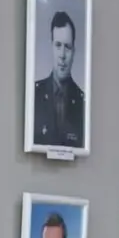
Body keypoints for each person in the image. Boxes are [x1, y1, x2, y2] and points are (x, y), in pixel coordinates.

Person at [31, 9, 85, 149]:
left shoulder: (82, 103)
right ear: (51, 47)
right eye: (58, 45)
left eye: (67, 47)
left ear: (74, 52)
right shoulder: (33, 95)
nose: (62, 55)